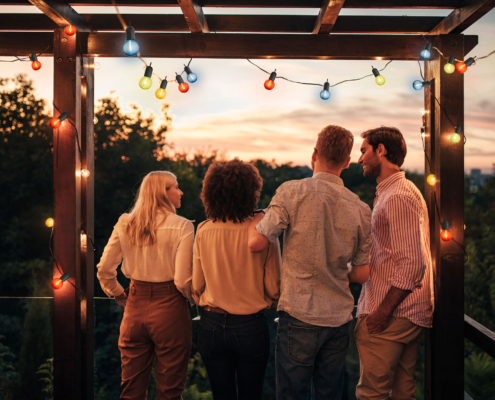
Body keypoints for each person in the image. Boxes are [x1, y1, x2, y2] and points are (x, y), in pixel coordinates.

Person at [248, 125, 372, 400]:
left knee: (291, 394)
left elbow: (258, 241)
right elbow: (362, 275)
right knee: (329, 394)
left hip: (299, 313)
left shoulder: (291, 192)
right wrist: (335, 268)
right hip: (338, 320)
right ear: (347, 162)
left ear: (314, 154)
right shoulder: (361, 209)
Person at [96, 171, 194, 400]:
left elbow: (104, 269)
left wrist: (117, 293)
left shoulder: (125, 223)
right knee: (170, 391)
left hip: (134, 307)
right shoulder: (183, 226)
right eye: (176, 187)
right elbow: (182, 280)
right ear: (163, 192)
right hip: (171, 307)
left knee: (131, 391)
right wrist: (194, 299)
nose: (181, 192)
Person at [355, 126, 434, 400]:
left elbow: (413, 264)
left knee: (372, 394)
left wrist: (380, 313)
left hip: (393, 314)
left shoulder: (398, 196)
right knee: (403, 391)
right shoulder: (397, 191)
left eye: (363, 150)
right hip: (404, 313)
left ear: (381, 150)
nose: (359, 159)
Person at [192, 159, 281, 400]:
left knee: (221, 396)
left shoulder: (203, 229)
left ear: (211, 193)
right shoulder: (264, 232)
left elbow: (196, 285)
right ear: (251, 192)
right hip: (250, 326)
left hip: (210, 324)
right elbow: (274, 287)